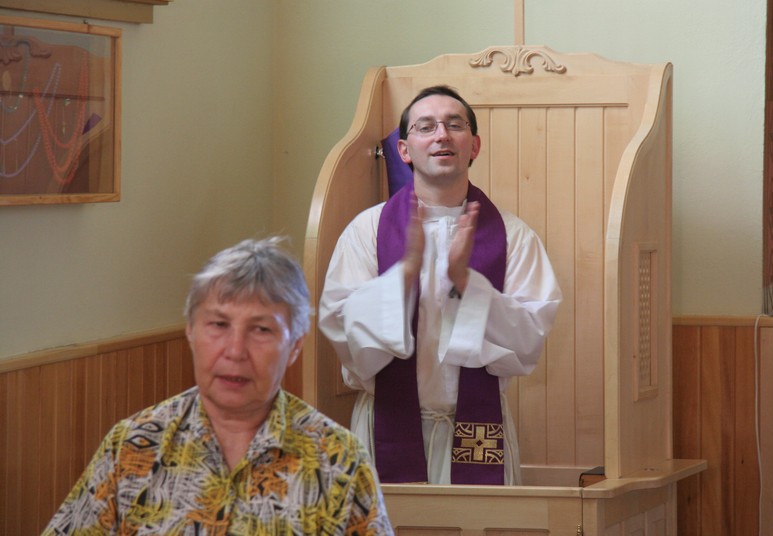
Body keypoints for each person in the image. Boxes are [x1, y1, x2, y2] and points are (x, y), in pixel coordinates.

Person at [43, 237, 394, 535]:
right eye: (218, 325)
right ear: (190, 331)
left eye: (261, 330)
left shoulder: (339, 460)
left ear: (295, 347)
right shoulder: (133, 447)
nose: (235, 351)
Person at [318, 85, 561, 486]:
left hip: (479, 432)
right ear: (404, 150)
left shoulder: (513, 235)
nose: (441, 135)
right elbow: (342, 329)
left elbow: (529, 336)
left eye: (455, 125)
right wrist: (404, 276)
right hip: (385, 431)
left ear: (474, 145)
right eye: (426, 127)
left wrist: (467, 283)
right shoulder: (367, 230)